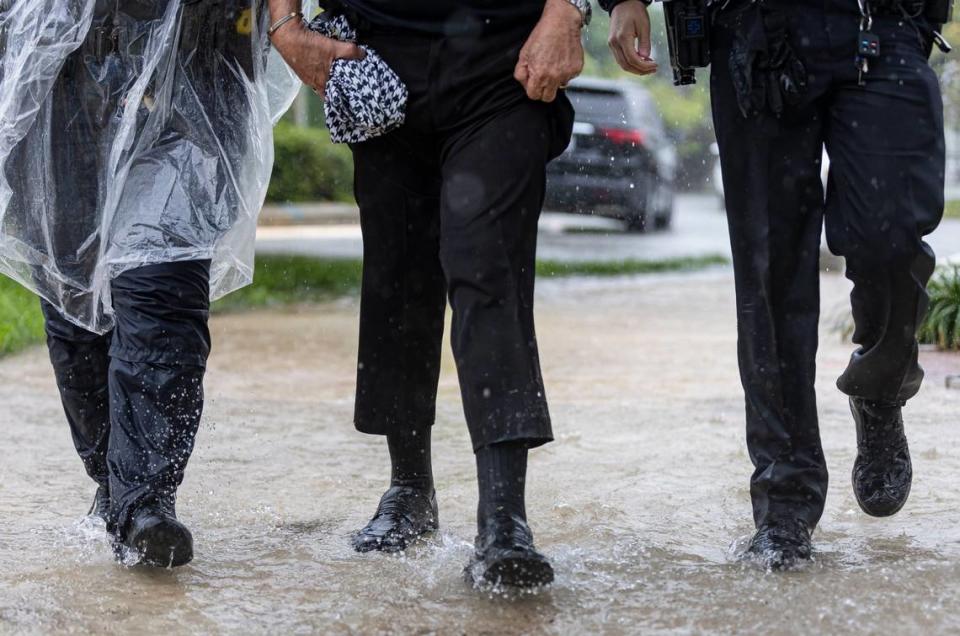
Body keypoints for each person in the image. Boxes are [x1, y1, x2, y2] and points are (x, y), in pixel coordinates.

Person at [607, 0, 946, 568]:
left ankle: (881, 387)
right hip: (754, 28)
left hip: (883, 21)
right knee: (770, 272)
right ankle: (784, 504)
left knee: (892, 239)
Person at [267, 0, 584, 586]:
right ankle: (410, 489)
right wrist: (285, 27)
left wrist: (568, 9)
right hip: (377, 59)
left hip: (503, 62)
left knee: (487, 266)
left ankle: (503, 518)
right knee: (397, 277)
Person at [0, 0, 293, 567]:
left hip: (195, 70)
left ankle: (145, 501)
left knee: (161, 281)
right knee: (75, 298)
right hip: (63, 83)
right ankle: (115, 476)